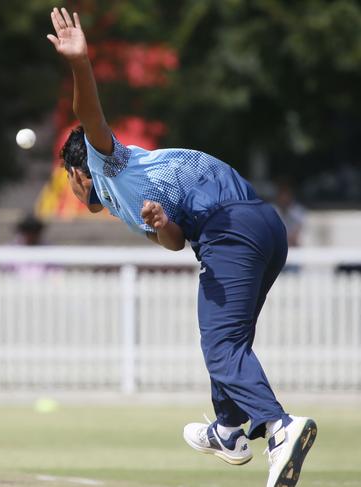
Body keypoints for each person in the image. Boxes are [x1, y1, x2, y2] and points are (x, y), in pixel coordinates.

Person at [47, 8, 316, 487]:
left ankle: (278, 428)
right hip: (262, 226)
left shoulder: (107, 165)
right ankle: (230, 430)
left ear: (76, 172)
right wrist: (164, 223)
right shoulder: (128, 199)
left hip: (231, 228)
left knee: (220, 346)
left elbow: (89, 117)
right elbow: (172, 243)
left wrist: (80, 64)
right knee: (231, 340)